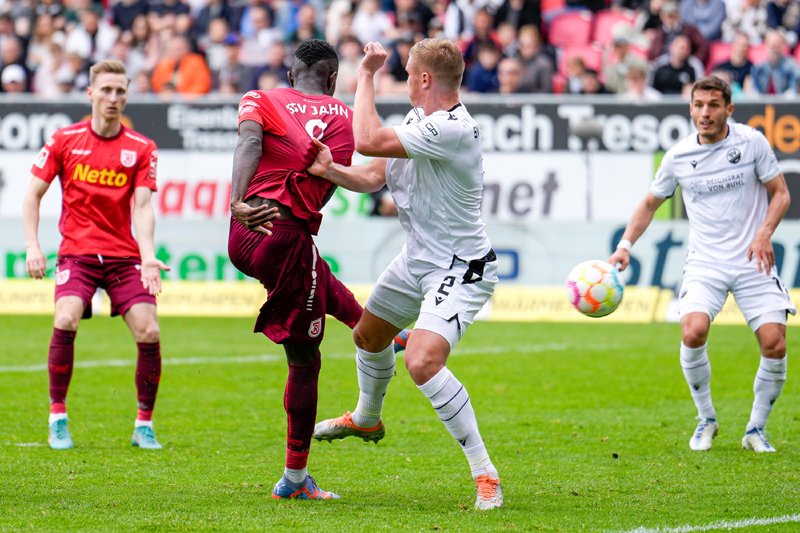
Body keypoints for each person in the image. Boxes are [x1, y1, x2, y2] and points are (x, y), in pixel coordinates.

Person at [309, 38, 503, 510]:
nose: (404, 79)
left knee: (422, 362)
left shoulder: (454, 128)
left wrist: (366, 73)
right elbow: (372, 175)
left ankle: (485, 474)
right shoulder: (419, 120)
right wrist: (329, 170)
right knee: (367, 336)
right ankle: (366, 418)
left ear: (425, 78)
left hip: (461, 266)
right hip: (416, 258)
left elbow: (366, 140)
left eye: (408, 72)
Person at [227, 39, 407, 500]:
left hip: (243, 231)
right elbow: (329, 185)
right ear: (332, 78)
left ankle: (381, 329)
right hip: (284, 233)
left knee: (313, 270)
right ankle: (294, 480)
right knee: (306, 359)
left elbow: (249, 142)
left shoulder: (259, 97)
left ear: (291, 75)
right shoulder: (343, 117)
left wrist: (237, 201)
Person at [609, 76, 794, 454]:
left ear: (729, 108)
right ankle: (706, 418)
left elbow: (781, 193)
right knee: (692, 332)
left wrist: (764, 232)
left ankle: (756, 429)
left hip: (752, 260)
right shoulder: (678, 157)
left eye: (713, 105)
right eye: (698, 105)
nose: (705, 113)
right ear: (690, 109)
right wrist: (625, 245)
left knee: (775, 344)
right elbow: (649, 204)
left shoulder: (752, 142)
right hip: (706, 262)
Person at [22, 60, 167, 451]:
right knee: (65, 318)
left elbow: (142, 208)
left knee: (149, 331)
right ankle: (57, 418)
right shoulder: (64, 139)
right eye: (106, 90)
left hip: (123, 258)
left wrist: (148, 256)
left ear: (127, 96)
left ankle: (144, 425)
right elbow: (32, 195)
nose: (113, 98)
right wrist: (33, 245)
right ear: (90, 94)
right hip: (78, 254)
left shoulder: (142, 147)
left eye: (120, 91)